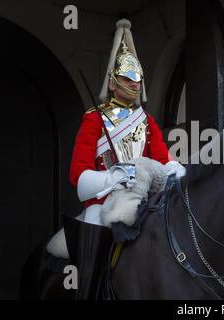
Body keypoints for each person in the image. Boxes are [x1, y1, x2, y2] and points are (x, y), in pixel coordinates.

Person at [67, 19, 185, 299]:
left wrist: (181, 174)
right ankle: (87, 291)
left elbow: (163, 158)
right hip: (103, 200)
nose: (133, 84)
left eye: (137, 79)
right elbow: (79, 174)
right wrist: (115, 178)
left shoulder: (147, 122)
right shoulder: (94, 119)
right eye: (126, 78)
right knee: (94, 228)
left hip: (143, 197)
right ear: (112, 81)